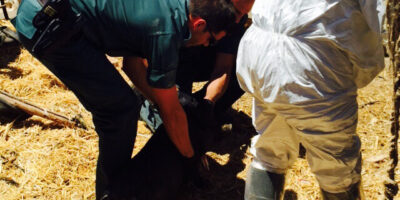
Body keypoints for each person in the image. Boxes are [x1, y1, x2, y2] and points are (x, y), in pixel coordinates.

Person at [11, 0, 236, 199]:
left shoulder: (171, 6)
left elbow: (132, 66)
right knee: (119, 113)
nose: (207, 45)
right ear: (199, 24)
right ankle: (110, 193)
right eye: (211, 40)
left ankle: (119, 187)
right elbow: (171, 112)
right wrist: (190, 155)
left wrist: (160, 101)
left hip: (49, 14)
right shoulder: (166, 31)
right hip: (49, 26)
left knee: (125, 105)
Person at [236, 0, 385, 199]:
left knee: (270, 148)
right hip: (311, 63)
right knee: (336, 167)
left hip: (258, 51)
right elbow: (379, 21)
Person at [139, 0, 256, 133]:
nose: (238, 20)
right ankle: (154, 101)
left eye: (244, 14)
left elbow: (224, 67)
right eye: (237, 12)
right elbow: (145, 56)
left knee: (246, 69)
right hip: (173, 58)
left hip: (201, 56)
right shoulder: (183, 7)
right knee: (172, 127)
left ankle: (200, 113)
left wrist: (208, 103)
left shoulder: (236, 21)